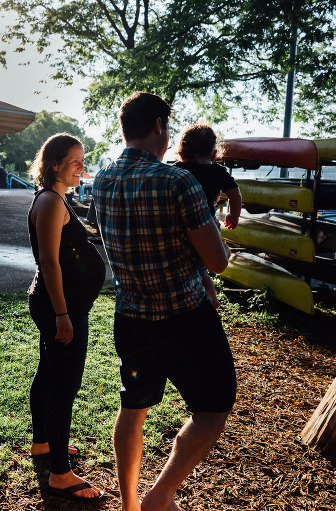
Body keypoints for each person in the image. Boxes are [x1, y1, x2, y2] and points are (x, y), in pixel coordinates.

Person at [92, 92, 237, 511]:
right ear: (158, 124)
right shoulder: (179, 182)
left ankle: (130, 504)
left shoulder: (102, 178)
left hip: (132, 319)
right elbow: (218, 261)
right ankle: (160, 496)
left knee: (134, 407)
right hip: (185, 320)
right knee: (212, 410)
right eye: (168, 126)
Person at [27, 133, 107, 502]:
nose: (82, 167)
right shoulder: (49, 200)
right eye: (76, 160)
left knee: (48, 375)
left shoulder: (58, 199)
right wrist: (62, 314)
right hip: (61, 308)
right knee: (65, 387)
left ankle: (43, 444)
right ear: (56, 163)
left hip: (64, 306)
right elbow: (48, 261)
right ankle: (60, 474)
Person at [174, 123, 243, 309]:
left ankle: (210, 298)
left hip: (180, 224)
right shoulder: (218, 171)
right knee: (203, 270)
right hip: (209, 223)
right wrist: (233, 215)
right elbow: (235, 194)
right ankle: (213, 300)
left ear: (181, 152)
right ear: (214, 154)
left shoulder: (178, 169)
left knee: (196, 269)